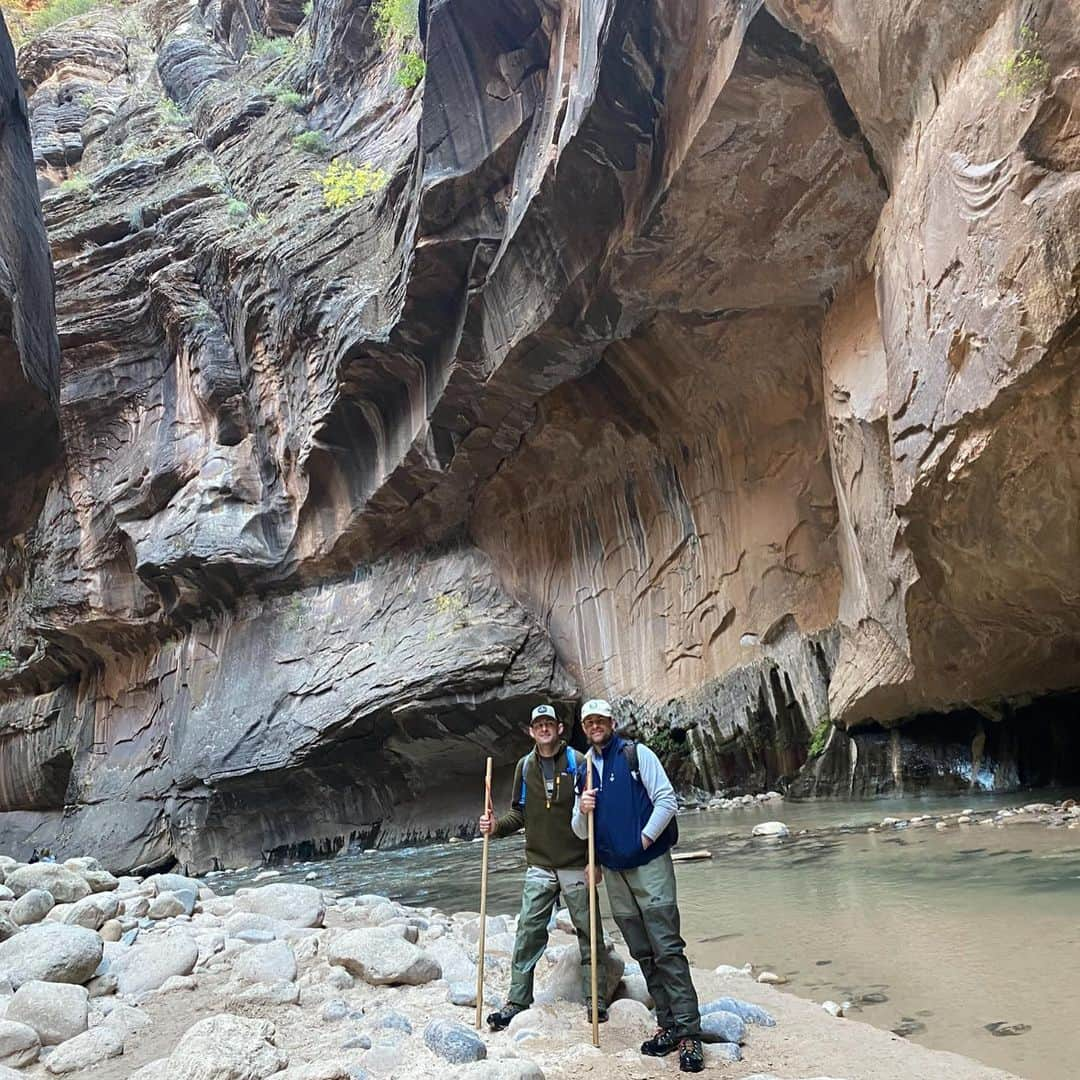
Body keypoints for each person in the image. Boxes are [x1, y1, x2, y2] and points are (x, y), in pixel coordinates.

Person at [572, 698, 704, 1073]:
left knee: (667, 947)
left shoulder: (636, 754)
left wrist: (643, 840)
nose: (596, 726)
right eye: (589, 722)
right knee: (643, 950)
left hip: (649, 865)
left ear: (612, 722)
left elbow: (666, 801)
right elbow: (580, 830)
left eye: (601, 720)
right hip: (614, 873)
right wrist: (582, 810)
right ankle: (669, 1025)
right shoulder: (584, 770)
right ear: (584, 728)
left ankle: (689, 1031)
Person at [479, 703, 611, 1030]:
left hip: (575, 864)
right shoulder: (524, 768)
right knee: (528, 932)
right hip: (539, 864)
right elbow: (518, 815)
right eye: (538, 724)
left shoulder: (579, 763)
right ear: (531, 731)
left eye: (549, 723)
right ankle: (517, 1000)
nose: (544, 729)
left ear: (560, 728)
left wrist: (597, 861)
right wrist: (494, 827)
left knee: (589, 931)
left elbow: (594, 815)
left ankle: (596, 999)